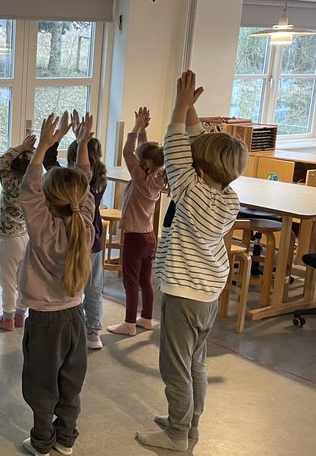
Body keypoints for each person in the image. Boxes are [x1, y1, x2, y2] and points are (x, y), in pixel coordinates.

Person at [135, 71, 247, 451]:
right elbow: (201, 149)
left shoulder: (190, 191)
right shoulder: (228, 196)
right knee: (196, 362)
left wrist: (179, 109)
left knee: (175, 367)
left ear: (198, 170)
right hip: (207, 294)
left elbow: (175, 149)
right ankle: (189, 425)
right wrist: (191, 109)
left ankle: (176, 434)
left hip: (183, 295)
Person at [19, 111, 95, 456]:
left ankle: (41, 442)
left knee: (41, 386)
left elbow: (28, 189)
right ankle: (66, 439)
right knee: (70, 382)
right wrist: (82, 143)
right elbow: (84, 182)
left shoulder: (44, 229)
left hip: (45, 321)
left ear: (48, 201)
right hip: (76, 318)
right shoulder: (85, 224)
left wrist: (43, 148)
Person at [44, 134, 109, 349]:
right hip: (92, 239)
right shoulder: (100, 179)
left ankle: (74, 326)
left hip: (72, 239)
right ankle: (93, 331)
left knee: (71, 283)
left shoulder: (68, 182)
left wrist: (57, 136)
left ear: (73, 159)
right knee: (93, 286)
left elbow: (48, 160)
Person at [107, 107, 166, 337]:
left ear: (146, 163)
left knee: (130, 281)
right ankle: (147, 318)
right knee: (145, 280)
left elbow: (127, 151)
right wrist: (143, 130)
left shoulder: (140, 177)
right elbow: (145, 152)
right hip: (149, 236)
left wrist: (135, 128)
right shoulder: (157, 178)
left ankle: (129, 323)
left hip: (133, 236)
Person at [0, 135, 35, 332]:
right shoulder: (34, 185)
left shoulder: (10, 182)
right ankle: (20, 315)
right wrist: (31, 151)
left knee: (8, 281)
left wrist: (21, 146)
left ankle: (7, 318)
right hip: (26, 235)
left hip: (9, 239)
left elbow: (2, 161)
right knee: (22, 278)